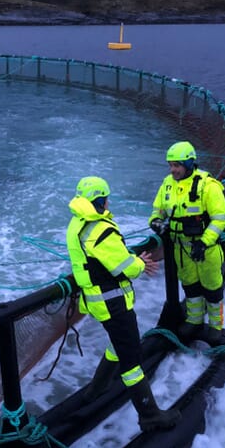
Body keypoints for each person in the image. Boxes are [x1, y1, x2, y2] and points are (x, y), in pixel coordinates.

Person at [67, 176, 181, 432]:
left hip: (97, 300)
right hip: (112, 302)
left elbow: (104, 258)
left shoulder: (77, 224)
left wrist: (129, 258)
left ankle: (97, 389)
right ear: (101, 200)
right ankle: (149, 414)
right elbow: (125, 267)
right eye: (106, 198)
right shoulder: (100, 230)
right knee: (131, 359)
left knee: (118, 342)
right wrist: (140, 263)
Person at [149, 141, 225, 341]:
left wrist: (204, 242)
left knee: (212, 288)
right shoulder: (167, 183)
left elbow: (220, 219)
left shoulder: (207, 186)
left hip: (206, 249)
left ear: (189, 163)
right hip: (180, 249)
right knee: (190, 286)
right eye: (170, 165)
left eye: (177, 165)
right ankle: (194, 321)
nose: (172, 170)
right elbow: (156, 211)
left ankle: (216, 325)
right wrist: (156, 223)